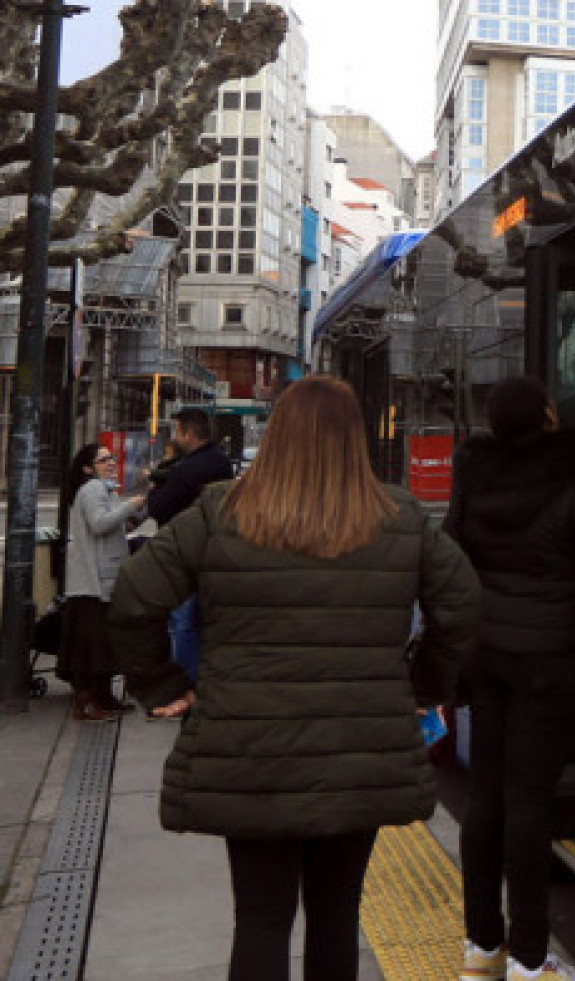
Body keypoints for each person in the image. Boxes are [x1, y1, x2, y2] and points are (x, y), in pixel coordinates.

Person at [108, 375, 481, 981]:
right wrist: (423, 687)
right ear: (353, 441)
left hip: (250, 751)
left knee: (259, 917)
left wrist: (165, 685)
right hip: (360, 752)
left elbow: (131, 599)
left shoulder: (219, 513)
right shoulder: (400, 518)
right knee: (337, 913)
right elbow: (462, 605)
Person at [444, 375, 575, 981]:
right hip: (553, 662)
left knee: (485, 797)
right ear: (546, 414)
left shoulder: (474, 473)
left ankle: (482, 949)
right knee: (529, 804)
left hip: (487, 657)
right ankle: (530, 960)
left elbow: (451, 554)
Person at [57, 443, 145, 721]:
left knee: (100, 642)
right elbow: (99, 524)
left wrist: (135, 513)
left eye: (111, 458)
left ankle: (103, 697)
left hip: (97, 578)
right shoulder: (93, 489)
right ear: (88, 467)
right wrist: (130, 505)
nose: (110, 463)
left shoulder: (101, 489)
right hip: (94, 581)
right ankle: (87, 702)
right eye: (103, 459)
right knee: (92, 644)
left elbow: (111, 526)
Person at [147, 408, 234, 681]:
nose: (175, 438)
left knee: (182, 621)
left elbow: (159, 508)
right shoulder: (221, 462)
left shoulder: (185, 469)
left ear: (189, 432)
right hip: (216, 549)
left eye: (177, 431)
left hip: (183, 553)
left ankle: (185, 681)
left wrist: (156, 489)